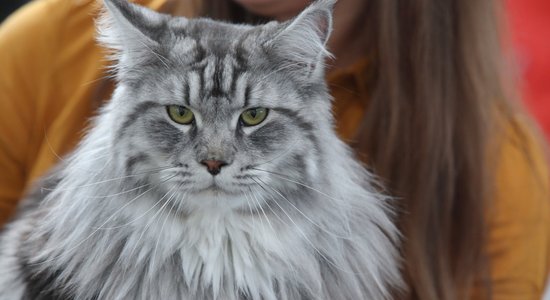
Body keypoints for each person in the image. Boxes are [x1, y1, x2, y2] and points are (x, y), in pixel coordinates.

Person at [0, 0, 548, 298]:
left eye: (254, 116)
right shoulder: (47, 43)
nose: (214, 157)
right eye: (181, 115)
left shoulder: (501, 166)